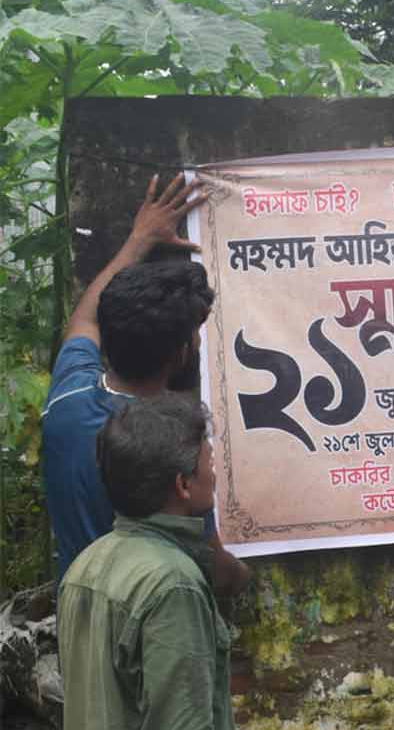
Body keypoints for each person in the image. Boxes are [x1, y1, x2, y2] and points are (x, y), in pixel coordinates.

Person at [42, 172, 249, 595]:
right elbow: (214, 567)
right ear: (180, 355)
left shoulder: (70, 398)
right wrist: (246, 577)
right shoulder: (168, 448)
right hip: (148, 628)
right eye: (194, 334)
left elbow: (85, 318)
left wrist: (139, 239)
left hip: (81, 620)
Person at [58, 396, 237, 730]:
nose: (215, 474)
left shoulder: (84, 566)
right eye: (209, 461)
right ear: (183, 485)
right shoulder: (173, 585)